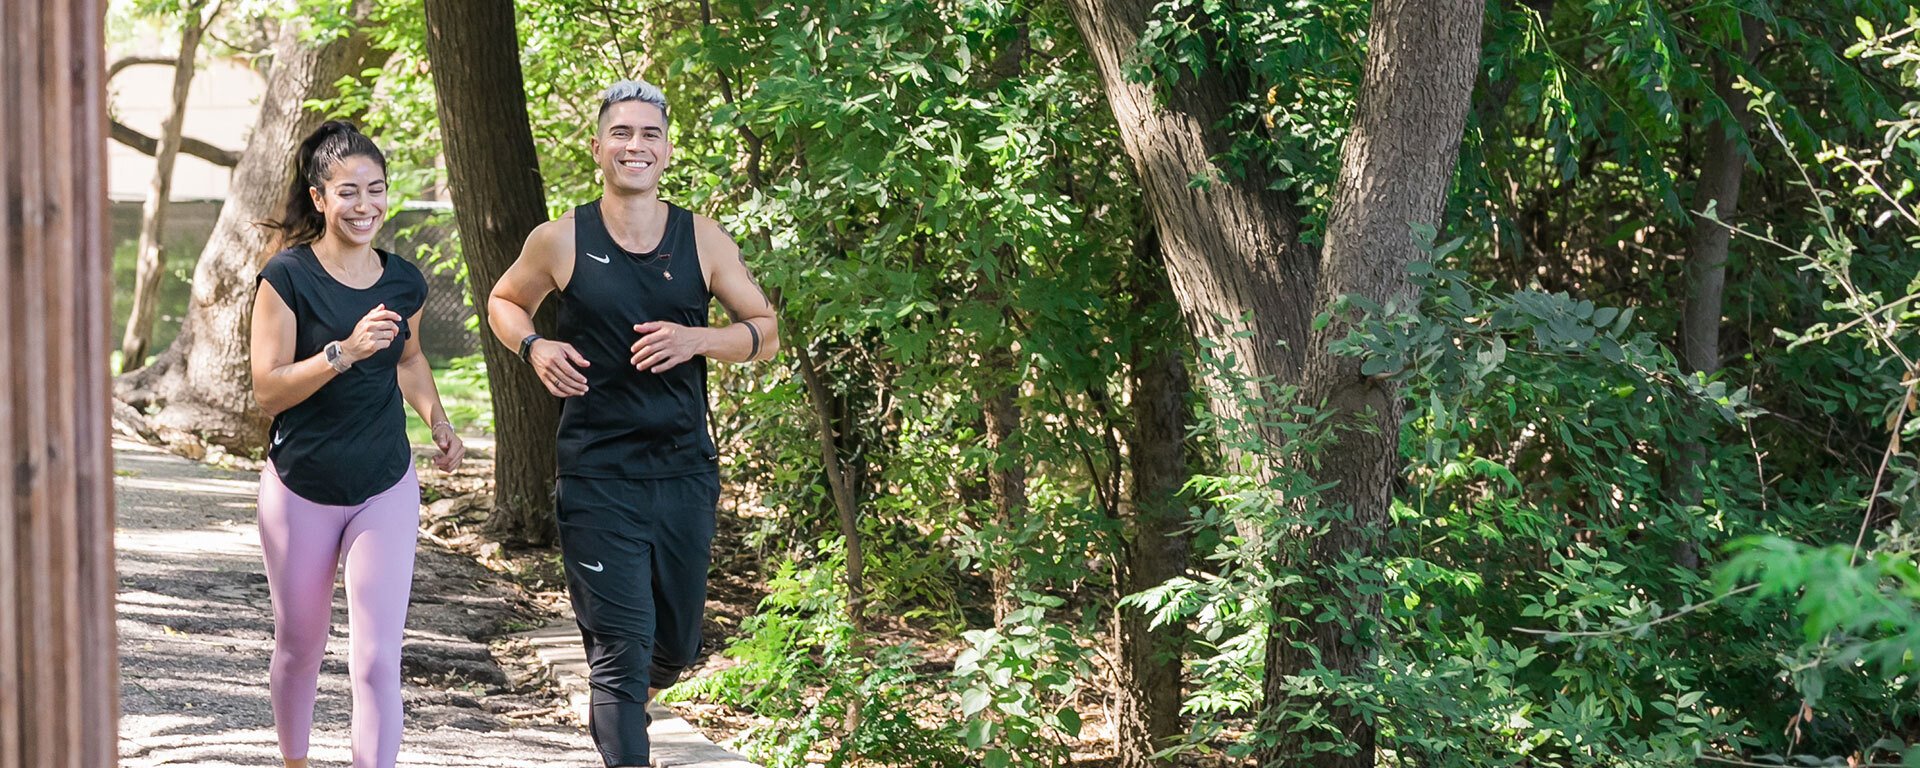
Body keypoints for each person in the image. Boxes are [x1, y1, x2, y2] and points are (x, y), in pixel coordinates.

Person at [487, 79, 779, 767]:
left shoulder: (701, 238)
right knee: (621, 651)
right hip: (596, 473)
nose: (635, 145)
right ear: (598, 148)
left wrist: (698, 339)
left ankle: (621, 709)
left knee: (674, 647)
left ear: (668, 151)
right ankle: (620, 721)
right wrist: (535, 345)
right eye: (621, 133)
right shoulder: (560, 240)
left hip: (682, 471)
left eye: (649, 134)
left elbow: (763, 332)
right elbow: (505, 301)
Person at [248, 120, 466, 768]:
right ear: (319, 198)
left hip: (384, 485)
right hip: (301, 487)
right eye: (349, 191)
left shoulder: (404, 281)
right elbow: (268, 390)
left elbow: (410, 358)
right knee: (299, 646)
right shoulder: (285, 278)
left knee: (376, 657)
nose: (365, 204)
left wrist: (438, 420)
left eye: (376, 189)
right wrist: (339, 354)